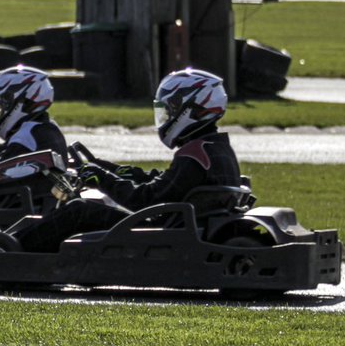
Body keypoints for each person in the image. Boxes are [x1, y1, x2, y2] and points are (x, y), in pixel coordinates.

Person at [14, 68, 241, 252]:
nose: (167, 116)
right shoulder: (214, 148)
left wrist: (102, 179)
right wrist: (118, 171)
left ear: (192, 109)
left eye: (171, 109)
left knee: (80, 209)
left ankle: (9, 248)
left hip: (160, 231)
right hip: (179, 224)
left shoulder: (193, 155)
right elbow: (168, 185)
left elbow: (144, 200)